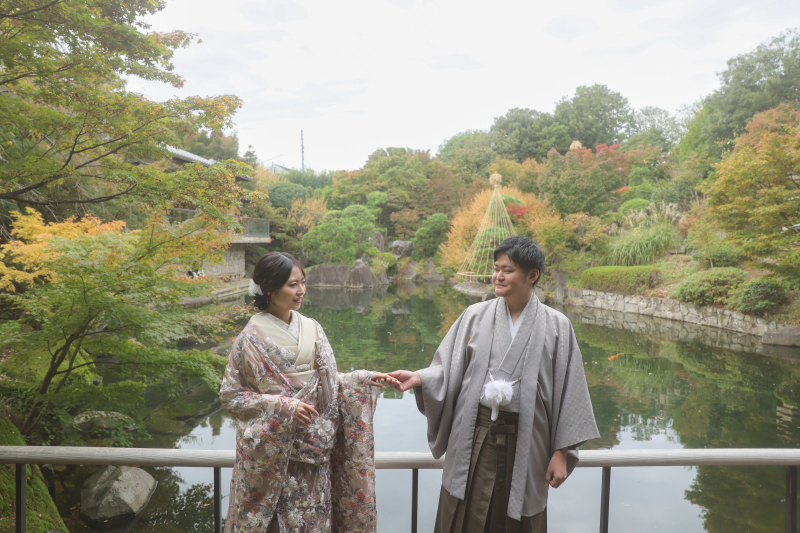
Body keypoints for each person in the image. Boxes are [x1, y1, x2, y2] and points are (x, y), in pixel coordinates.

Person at [389, 236, 600, 533]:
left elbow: (571, 391)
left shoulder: (557, 326)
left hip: (529, 442)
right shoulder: (474, 316)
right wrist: (420, 378)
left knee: (520, 515)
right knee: (462, 513)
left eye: (508, 270)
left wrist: (561, 452)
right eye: (496, 268)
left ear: (532, 276)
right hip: (473, 436)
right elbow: (447, 368)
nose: (498, 276)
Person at [219, 252, 398, 533]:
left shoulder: (313, 327)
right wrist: (282, 406)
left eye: (303, 282)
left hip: (316, 457)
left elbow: (327, 382)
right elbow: (231, 396)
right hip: (277, 460)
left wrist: (361, 379)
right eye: (292, 285)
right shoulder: (249, 339)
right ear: (270, 289)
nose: (301, 291)